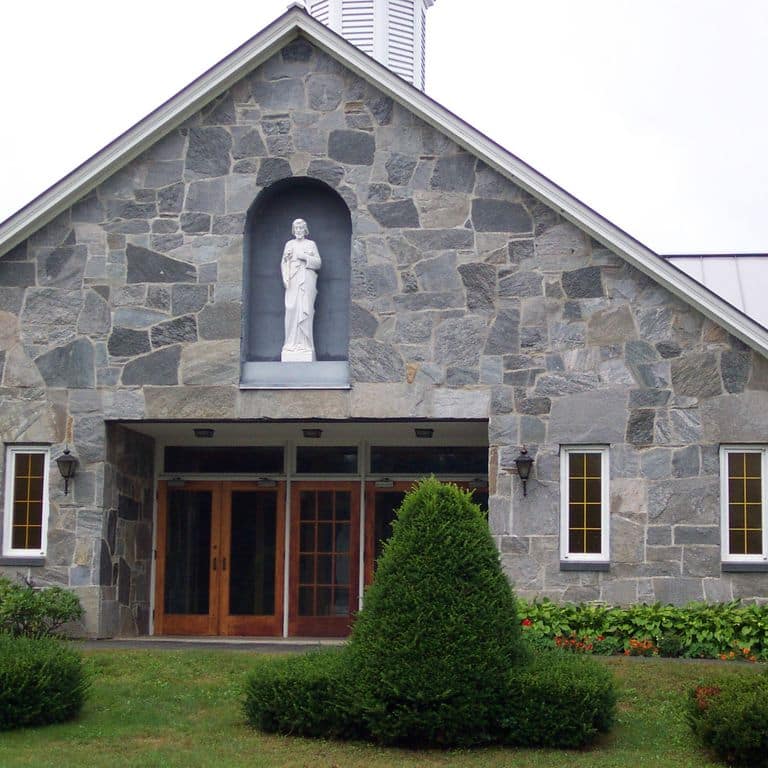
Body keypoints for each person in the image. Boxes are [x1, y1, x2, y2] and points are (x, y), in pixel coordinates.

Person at [281, 218, 321, 361]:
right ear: (293, 230)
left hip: (306, 281)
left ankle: (305, 345)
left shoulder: (311, 244)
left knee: (306, 310)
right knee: (291, 309)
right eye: (296, 229)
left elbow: (318, 263)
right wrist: (286, 261)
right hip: (292, 281)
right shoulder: (289, 244)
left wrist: (304, 257)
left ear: (305, 230)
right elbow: (283, 264)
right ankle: (290, 343)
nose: (298, 231)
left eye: (301, 228)